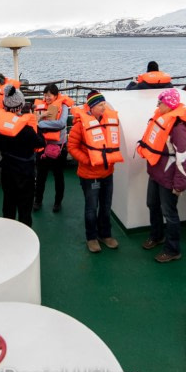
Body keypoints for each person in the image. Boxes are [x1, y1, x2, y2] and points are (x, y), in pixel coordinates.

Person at [137, 88, 186, 262]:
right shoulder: (162, 119)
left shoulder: (178, 128)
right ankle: (157, 235)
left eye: (160, 102)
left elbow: (184, 158)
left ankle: (173, 249)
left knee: (169, 213)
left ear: (169, 105)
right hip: (156, 173)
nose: (157, 105)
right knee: (152, 204)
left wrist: (179, 185)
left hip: (169, 178)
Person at [68, 91, 122, 253]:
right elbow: (72, 147)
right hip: (90, 175)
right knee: (91, 208)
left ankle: (105, 235)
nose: (104, 107)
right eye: (100, 105)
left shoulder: (109, 121)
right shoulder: (80, 125)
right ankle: (91, 237)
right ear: (91, 108)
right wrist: (87, 160)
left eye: (104, 104)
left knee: (106, 207)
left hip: (107, 173)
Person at [0, 86, 45, 226]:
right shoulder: (26, 129)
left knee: (8, 205)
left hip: (7, 171)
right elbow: (41, 144)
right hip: (25, 173)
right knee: (25, 209)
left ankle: (9, 235)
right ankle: (24, 238)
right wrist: (35, 122)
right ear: (21, 106)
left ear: (5, 105)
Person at [34, 83, 73, 212]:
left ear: (56, 95)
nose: (47, 98)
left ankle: (58, 202)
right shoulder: (41, 106)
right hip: (43, 147)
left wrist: (41, 122)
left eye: (49, 95)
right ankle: (38, 201)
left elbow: (61, 123)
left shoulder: (63, 106)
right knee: (40, 177)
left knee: (58, 176)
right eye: (45, 95)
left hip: (58, 148)